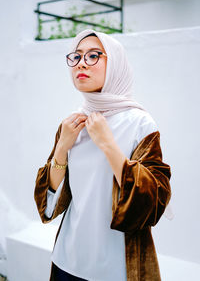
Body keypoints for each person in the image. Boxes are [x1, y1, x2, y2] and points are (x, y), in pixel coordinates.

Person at [34, 29, 172, 281]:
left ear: (116, 63)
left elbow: (153, 202)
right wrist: (62, 148)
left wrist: (108, 144)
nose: (81, 64)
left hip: (118, 268)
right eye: (76, 56)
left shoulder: (140, 123)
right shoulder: (72, 124)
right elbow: (48, 205)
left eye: (93, 55)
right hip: (67, 261)